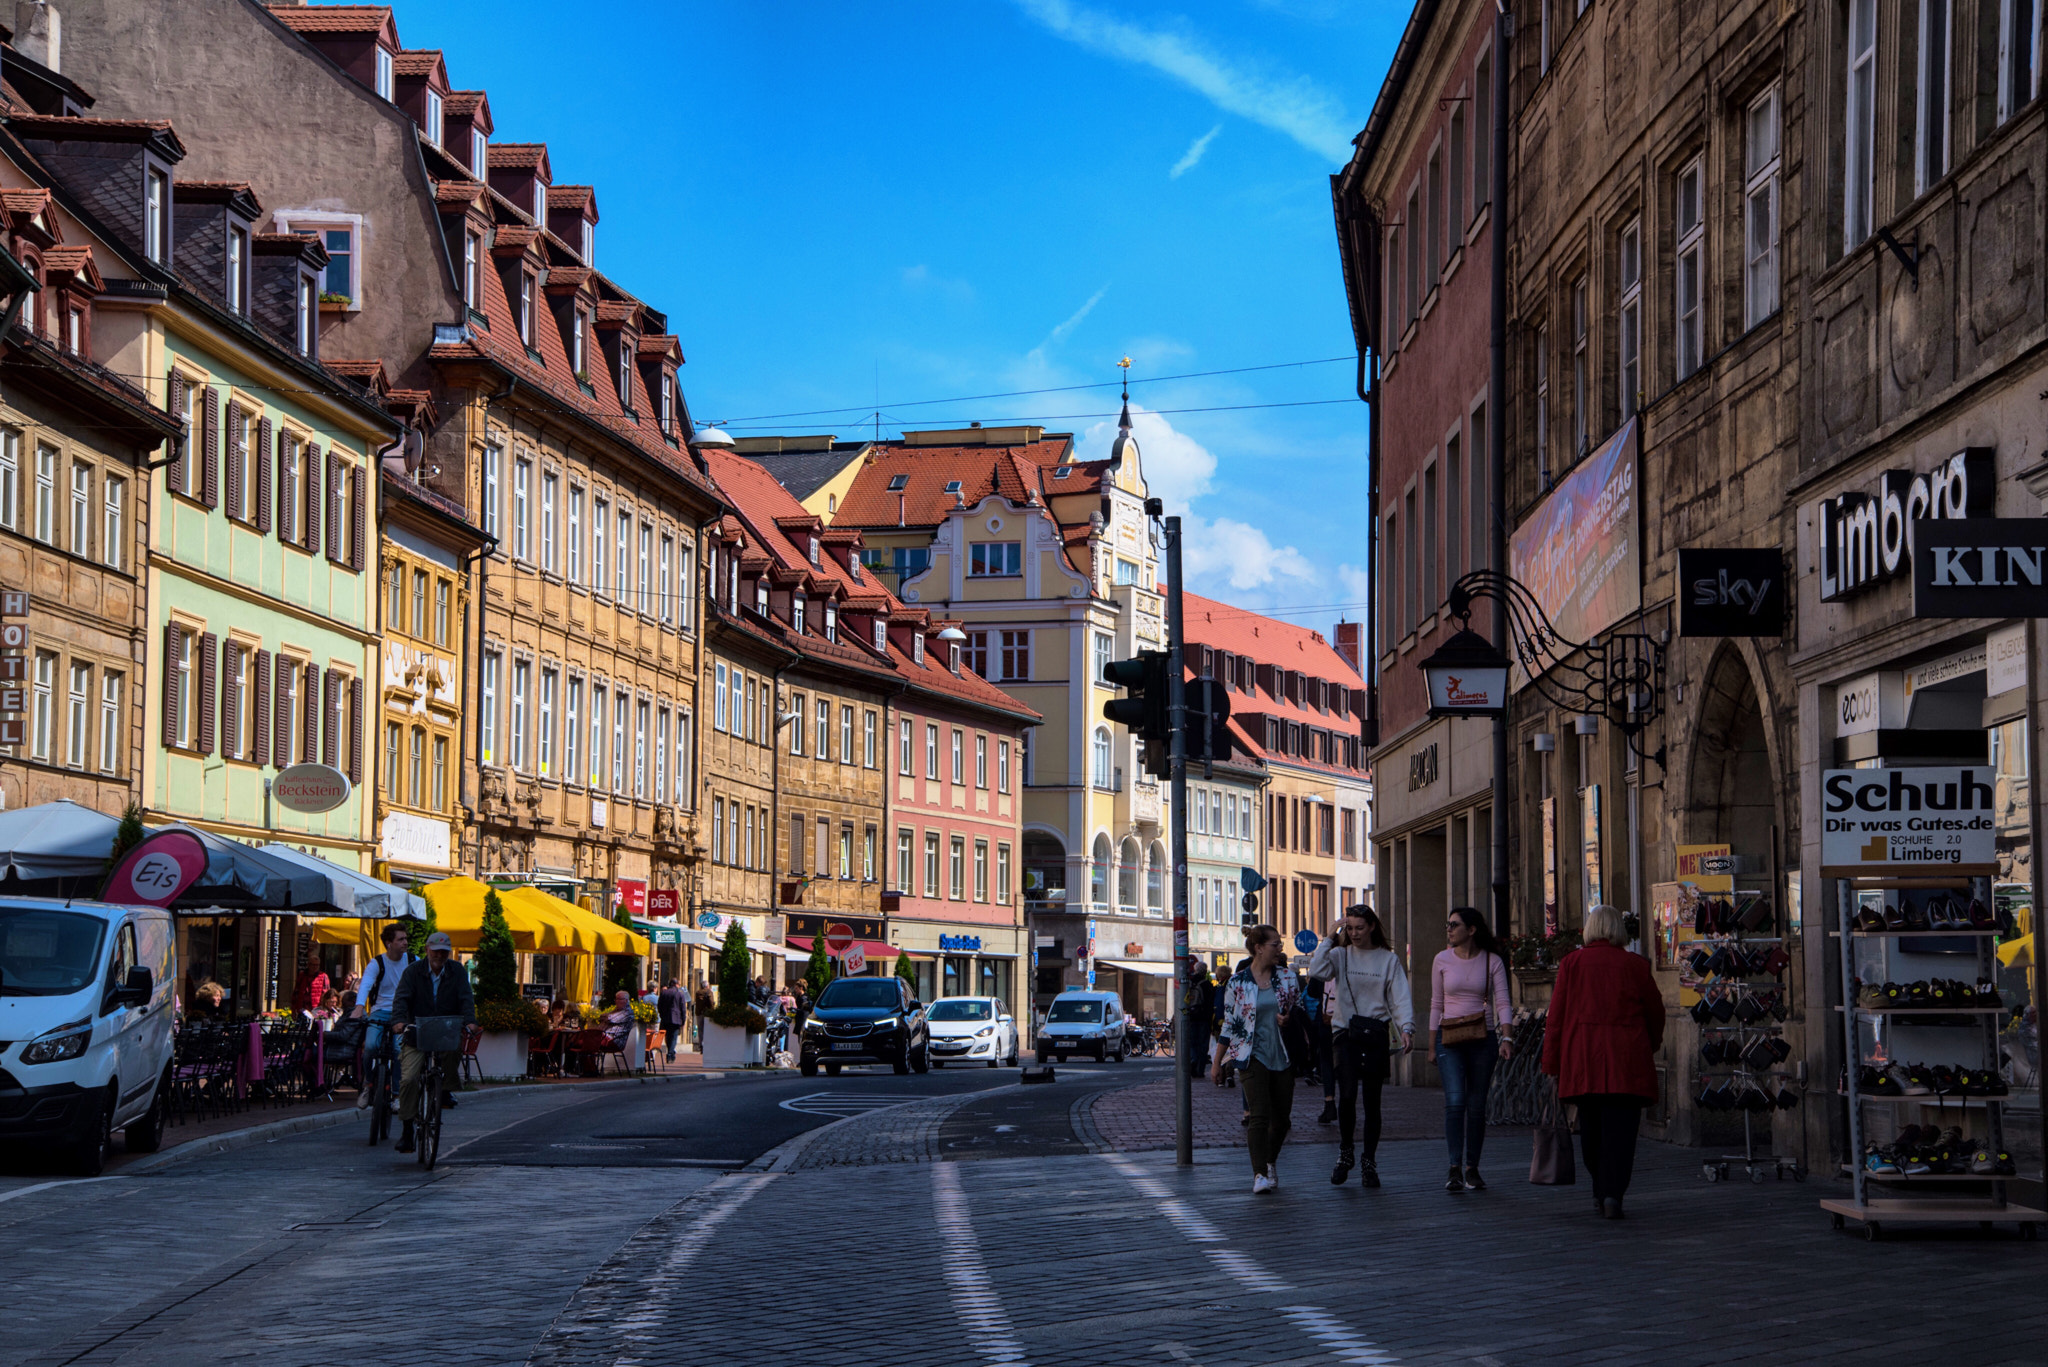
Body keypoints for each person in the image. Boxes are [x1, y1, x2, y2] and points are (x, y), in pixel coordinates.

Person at [1542, 904, 1666, 1219]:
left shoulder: (1572, 964)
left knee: (1592, 1129)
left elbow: (1555, 1019)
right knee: (1622, 1133)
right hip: (1626, 1059)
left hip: (1583, 1060)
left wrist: (1553, 1064)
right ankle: (1613, 1192)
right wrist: (1650, 1044)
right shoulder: (1635, 965)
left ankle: (1600, 1186)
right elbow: (1655, 1011)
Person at [1307, 904, 1415, 1188]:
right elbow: (1316, 971)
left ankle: (1369, 1160)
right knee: (1347, 1096)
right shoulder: (1340, 955)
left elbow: (1400, 996)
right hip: (1346, 1033)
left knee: (1372, 1101)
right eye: (1349, 928)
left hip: (1376, 1032)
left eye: (1359, 928)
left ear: (1371, 927)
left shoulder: (1387, 960)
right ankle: (1345, 1153)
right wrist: (1330, 936)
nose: (1353, 934)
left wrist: (1407, 1028)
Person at [1211, 925, 1303, 1194]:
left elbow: (1296, 1012)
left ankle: (1270, 1160)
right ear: (1259, 948)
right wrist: (1217, 1062)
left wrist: (1287, 1019)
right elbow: (1229, 1025)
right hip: (1250, 1055)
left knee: (1282, 1120)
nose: (1280, 949)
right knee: (1259, 1114)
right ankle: (1259, 1174)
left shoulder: (1287, 977)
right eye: (1275, 944)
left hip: (1282, 1054)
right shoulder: (1238, 983)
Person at [1431, 906, 1513, 1193]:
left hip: (1483, 1037)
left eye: (1454, 925)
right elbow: (1436, 1004)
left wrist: (1506, 1038)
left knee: (1477, 1105)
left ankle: (1472, 1168)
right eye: (1448, 924)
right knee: (1455, 1101)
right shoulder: (1441, 959)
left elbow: (1502, 1001)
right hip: (1449, 1038)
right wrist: (1431, 1044)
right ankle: (1454, 1167)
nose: (1449, 929)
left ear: (1472, 930)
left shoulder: (1492, 960)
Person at [390, 931, 475, 1154]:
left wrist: (470, 1021)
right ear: (427, 949)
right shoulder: (413, 972)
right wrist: (399, 1021)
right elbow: (401, 998)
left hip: (445, 1028)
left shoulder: (457, 971)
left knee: (455, 1045)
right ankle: (407, 1129)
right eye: (436, 951)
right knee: (408, 1078)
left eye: (444, 952)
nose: (439, 955)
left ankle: (444, 1088)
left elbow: (466, 998)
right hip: (417, 1031)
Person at [350, 923, 416, 1112]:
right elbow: (365, 985)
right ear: (389, 943)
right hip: (379, 1011)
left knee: (397, 1050)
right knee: (370, 1046)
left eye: (405, 938)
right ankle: (367, 1084)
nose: (405, 942)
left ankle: (396, 1094)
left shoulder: (413, 960)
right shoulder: (377, 963)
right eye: (400, 939)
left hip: (402, 1013)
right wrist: (359, 1007)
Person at [1183, 962, 1214, 1079]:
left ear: (1195, 970)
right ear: (1205, 971)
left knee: (1192, 1042)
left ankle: (1193, 1059)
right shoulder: (1207, 985)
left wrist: (1184, 1014)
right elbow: (1210, 1004)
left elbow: (1183, 1002)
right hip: (1204, 1018)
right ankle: (1200, 1070)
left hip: (1191, 1017)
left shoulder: (1188, 983)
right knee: (1203, 1044)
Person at [657, 977, 688, 1063]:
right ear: (676, 984)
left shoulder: (664, 993)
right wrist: (683, 1020)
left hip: (665, 1018)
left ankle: (670, 1051)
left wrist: (662, 1015)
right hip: (676, 1019)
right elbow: (683, 1008)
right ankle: (670, 1053)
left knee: (667, 1037)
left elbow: (659, 1005)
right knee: (673, 1037)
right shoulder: (679, 994)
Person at [292, 948, 330, 1016]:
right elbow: (296, 993)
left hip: (317, 1010)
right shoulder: (302, 976)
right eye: (313, 965)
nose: (315, 967)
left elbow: (326, 995)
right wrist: (294, 1008)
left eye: (317, 965)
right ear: (308, 965)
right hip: (302, 1009)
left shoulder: (323, 976)